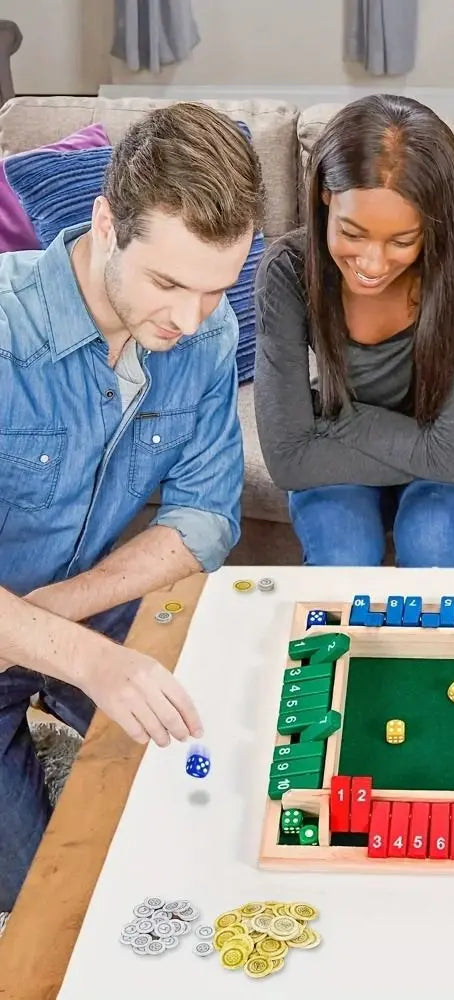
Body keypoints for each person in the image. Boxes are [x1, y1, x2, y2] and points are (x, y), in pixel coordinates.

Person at [0, 101, 265, 912]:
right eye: (168, 283)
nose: (189, 319)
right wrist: (86, 662)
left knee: (232, 783)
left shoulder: (206, 335)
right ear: (107, 224)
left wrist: (59, 620)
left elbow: (204, 518)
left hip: (81, 608)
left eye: (215, 289)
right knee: (47, 899)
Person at [253, 94, 454, 569]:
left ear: (435, 223)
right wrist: (444, 455)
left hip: (393, 442)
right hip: (428, 452)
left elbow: (451, 458)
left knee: (430, 538)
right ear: (325, 197)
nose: (373, 264)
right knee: (343, 551)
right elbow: (288, 460)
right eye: (352, 233)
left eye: (403, 240)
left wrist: (330, 420)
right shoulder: (288, 271)